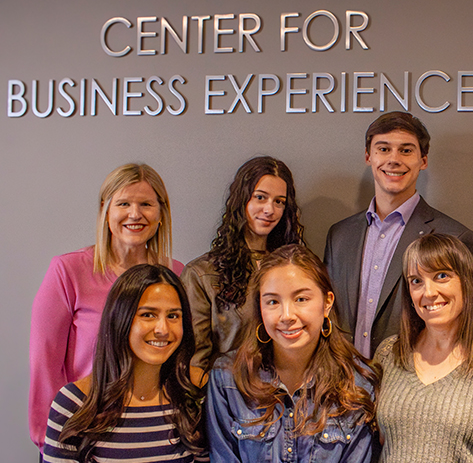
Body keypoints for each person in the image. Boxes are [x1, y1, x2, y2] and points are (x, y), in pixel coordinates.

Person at [29, 163, 184, 451]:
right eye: (123, 203)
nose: (135, 214)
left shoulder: (176, 274)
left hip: (157, 429)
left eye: (146, 204)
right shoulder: (68, 270)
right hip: (86, 429)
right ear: (105, 209)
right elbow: (44, 361)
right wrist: (48, 434)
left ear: (161, 212)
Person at [324, 111, 473, 358]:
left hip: (412, 385)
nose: (394, 159)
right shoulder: (339, 235)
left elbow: (460, 328)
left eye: (406, 151)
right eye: (383, 149)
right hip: (343, 386)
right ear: (368, 157)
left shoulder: (455, 237)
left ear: (423, 160)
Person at [206, 244, 378, 463]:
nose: (286, 315)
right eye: (273, 302)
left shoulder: (357, 384)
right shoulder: (228, 377)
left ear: (327, 303)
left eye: (301, 299)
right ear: (260, 307)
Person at [374, 234, 473, 462]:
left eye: (441, 276)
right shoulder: (389, 354)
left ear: (466, 282)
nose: (428, 292)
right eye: (416, 281)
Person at [43, 264, 207, 462]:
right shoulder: (75, 404)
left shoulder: (195, 396)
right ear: (120, 319)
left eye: (173, 316)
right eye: (148, 315)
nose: (163, 329)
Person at [181, 156, 305, 371]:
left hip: (289, 395)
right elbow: (194, 363)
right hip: (228, 396)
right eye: (260, 197)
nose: (269, 210)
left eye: (279, 202)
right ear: (242, 200)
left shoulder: (297, 269)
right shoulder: (201, 273)